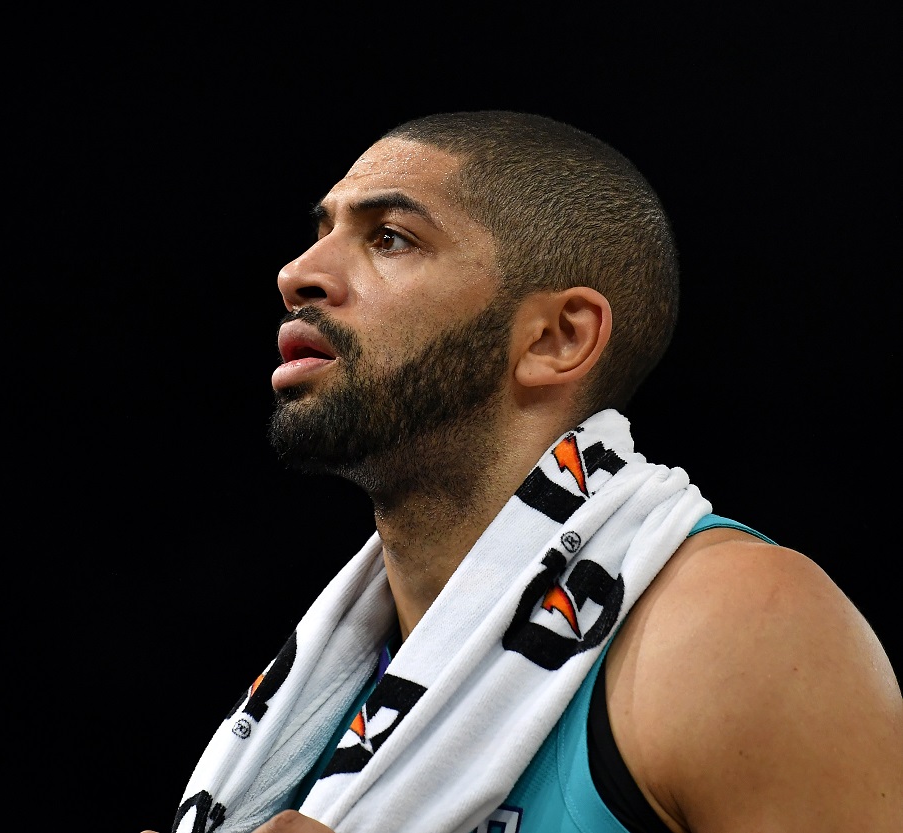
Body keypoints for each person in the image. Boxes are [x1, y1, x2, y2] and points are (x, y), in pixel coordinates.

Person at [142, 111, 903, 833]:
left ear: (556, 338)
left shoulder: (735, 625)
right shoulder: (306, 712)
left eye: (391, 238)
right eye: (321, 233)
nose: (297, 274)